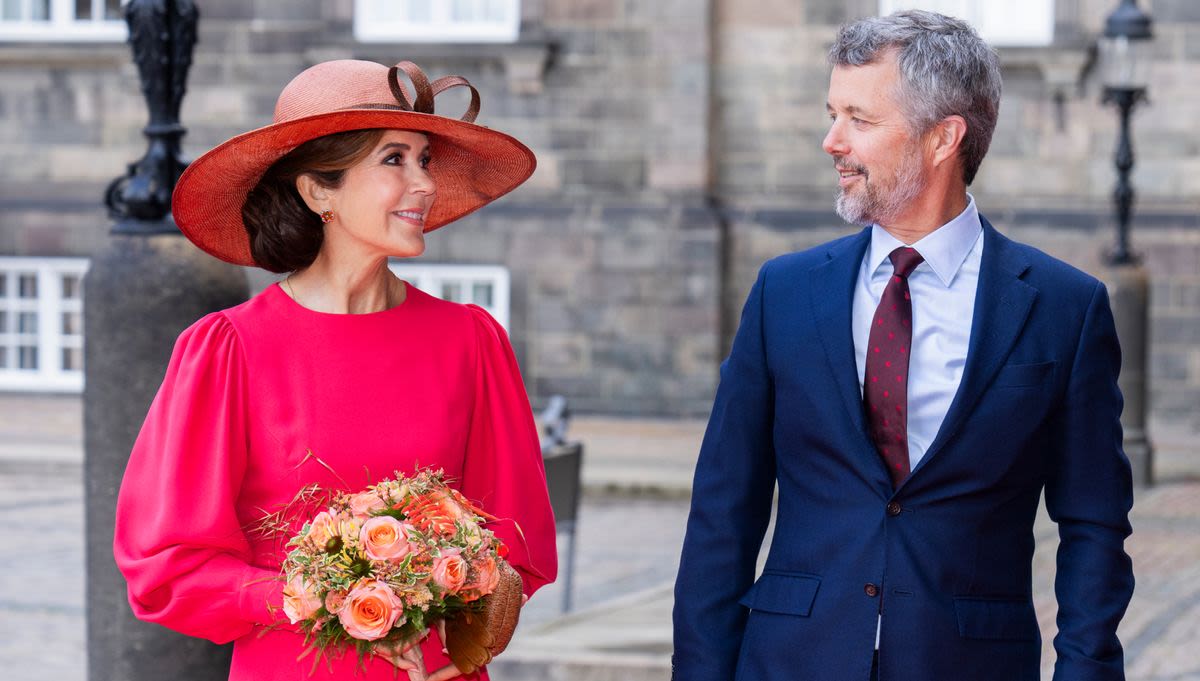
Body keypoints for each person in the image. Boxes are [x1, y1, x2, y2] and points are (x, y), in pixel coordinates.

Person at [672, 11, 1134, 681]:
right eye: (832, 113)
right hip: (790, 660)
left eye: (859, 118)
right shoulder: (785, 292)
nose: (831, 140)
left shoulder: (1065, 307)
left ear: (942, 138)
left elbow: (1095, 523)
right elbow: (724, 510)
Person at [113, 59, 558, 681]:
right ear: (318, 189)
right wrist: (318, 596)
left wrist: (468, 629)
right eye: (394, 159)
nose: (424, 184)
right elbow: (169, 564)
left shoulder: (471, 341)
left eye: (424, 160)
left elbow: (518, 538)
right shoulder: (227, 349)